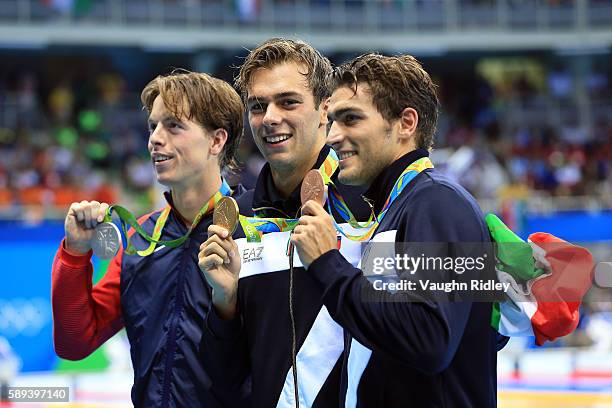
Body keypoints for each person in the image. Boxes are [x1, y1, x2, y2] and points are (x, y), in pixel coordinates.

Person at [290, 53, 499, 407]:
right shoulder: (398, 209)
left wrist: (328, 264)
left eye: (351, 119)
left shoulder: (436, 203)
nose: (334, 136)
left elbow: (429, 339)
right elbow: (391, 328)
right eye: (332, 122)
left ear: (406, 123)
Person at [51, 71, 247, 407]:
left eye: (173, 126)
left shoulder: (257, 231)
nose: (155, 139)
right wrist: (75, 254)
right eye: (153, 126)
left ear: (217, 141)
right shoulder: (140, 239)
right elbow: (75, 343)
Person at [198, 38, 371, 407]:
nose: (270, 117)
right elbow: (225, 379)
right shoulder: (236, 220)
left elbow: (420, 334)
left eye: (288, 101)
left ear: (325, 110)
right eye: (258, 106)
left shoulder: (374, 205)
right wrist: (224, 304)